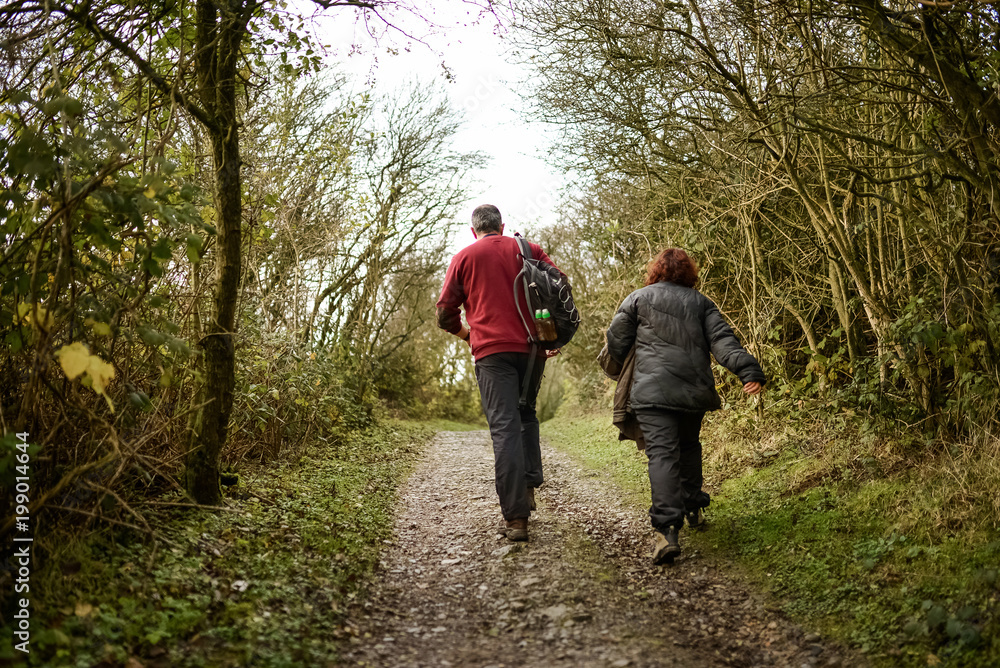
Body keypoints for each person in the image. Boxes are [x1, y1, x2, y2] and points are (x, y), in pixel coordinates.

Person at [604, 248, 765, 564]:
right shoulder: (702, 303)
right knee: (689, 448)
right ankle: (693, 508)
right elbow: (724, 343)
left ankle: (667, 532)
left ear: (656, 272)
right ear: (689, 273)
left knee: (662, 454)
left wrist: (627, 363)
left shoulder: (637, 299)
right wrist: (748, 369)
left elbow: (616, 342)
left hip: (650, 392)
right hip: (692, 392)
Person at [436, 204, 561, 542]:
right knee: (526, 414)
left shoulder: (464, 257)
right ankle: (531, 483)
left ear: (473, 230)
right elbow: (559, 286)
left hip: (491, 353)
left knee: (504, 427)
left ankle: (517, 518)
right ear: (502, 226)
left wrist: (469, 336)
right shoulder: (528, 249)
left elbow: (445, 315)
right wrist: (552, 334)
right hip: (533, 348)